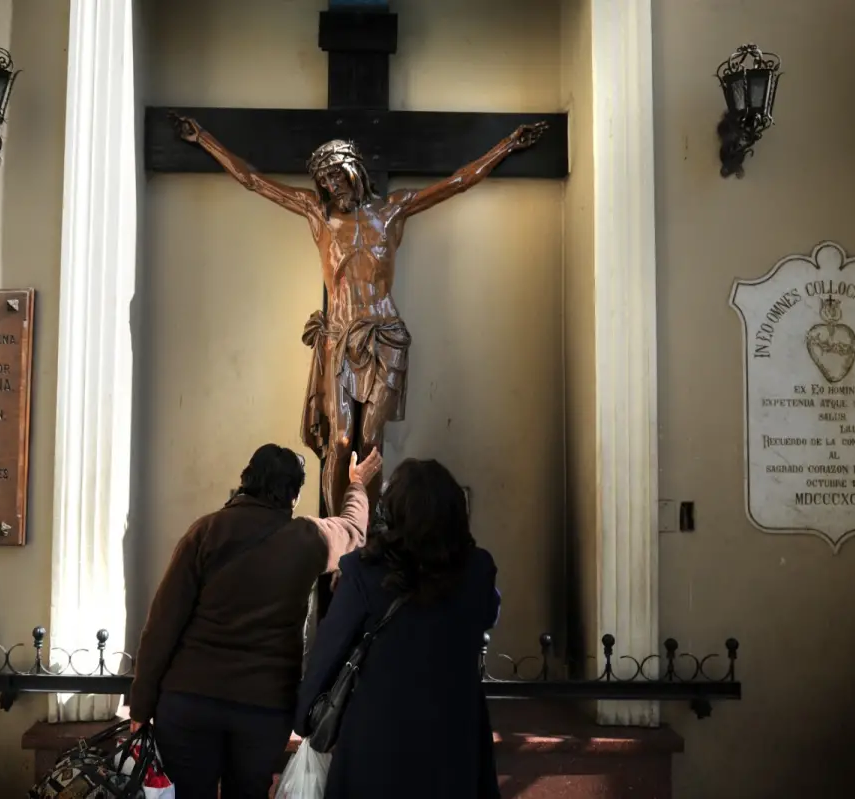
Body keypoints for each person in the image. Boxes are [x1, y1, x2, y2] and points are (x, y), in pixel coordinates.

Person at [168, 112, 549, 517]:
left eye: (337, 175)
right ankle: (338, 532)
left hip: (386, 335)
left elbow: (457, 182)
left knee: (371, 440)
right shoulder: (319, 215)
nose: (332, 186)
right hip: (339, 336)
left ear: (355, 171)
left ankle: (365, 531)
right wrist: (204, 139)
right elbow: (253, 180)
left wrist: (508, 144)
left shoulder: (392, 211)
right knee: (340, 439)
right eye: (325, 181)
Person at [127, 443, 383, 799]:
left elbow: (161, 626)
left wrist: (141, 705)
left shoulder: (205, 532)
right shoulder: (307, 539)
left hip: (190, 701)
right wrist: (356, 485)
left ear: (245, 480)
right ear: (293, 496)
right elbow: (353, 530)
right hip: (263, 709)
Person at [295, 458, 501, 798]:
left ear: (392, 512)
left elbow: (329, 650)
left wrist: (305, 717)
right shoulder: (478, 570)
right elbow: (489, 615)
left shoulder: (363, 573)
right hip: (455, 732)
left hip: (376, 739)